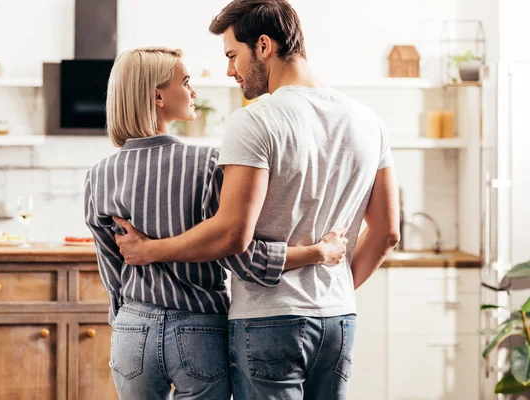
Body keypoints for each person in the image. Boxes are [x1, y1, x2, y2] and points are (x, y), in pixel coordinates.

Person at [113, 1, 401, 399]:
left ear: (263, 46)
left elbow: (232, 233)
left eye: (233, 55)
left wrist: (150, 250)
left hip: (269, 320)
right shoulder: (369, 121)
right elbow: (387, 232)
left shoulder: (255, 120)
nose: (231, 70)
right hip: (339, 320)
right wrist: (335, 288)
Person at [84, 46, 348, 400]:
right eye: (186, 81)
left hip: (132, 327)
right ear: (158, 96)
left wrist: (128, 320)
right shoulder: (208, 164)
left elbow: (111, 267)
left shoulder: (99, 175)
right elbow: (240, 255)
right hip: (198, 327)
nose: (194, 92)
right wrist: (316, 252)